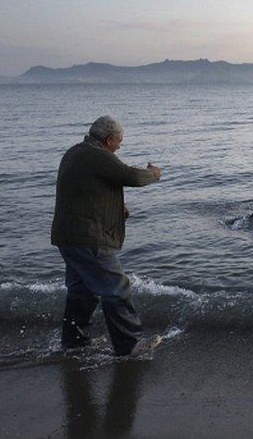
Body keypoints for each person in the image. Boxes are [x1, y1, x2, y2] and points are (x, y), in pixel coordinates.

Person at [51, 115, 163, 357]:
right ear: (109, 139)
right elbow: (130, 176)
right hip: (88, 237)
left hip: (68, 237)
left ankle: (73, 341)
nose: (120, 146)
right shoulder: (97, 155)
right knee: (117, 287)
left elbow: (87, 191)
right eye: (119, 142)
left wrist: (117, 209)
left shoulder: (75, 153)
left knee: (82, 291)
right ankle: (129, 345)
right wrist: (153, 173)